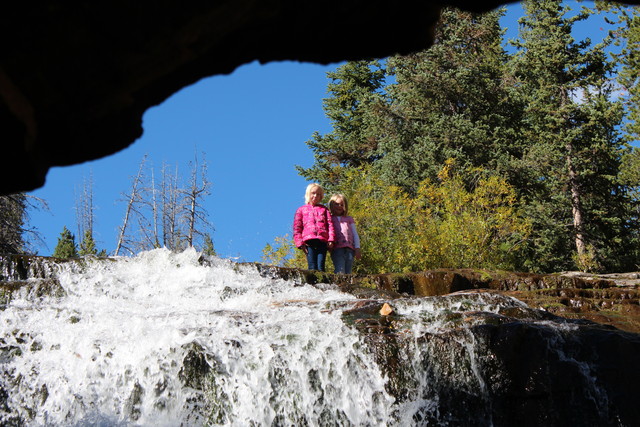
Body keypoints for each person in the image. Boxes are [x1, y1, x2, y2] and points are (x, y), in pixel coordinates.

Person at [293, 183, 335, 271]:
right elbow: (297, 228)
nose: (316, 196)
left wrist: (331, 239)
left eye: (319, 194)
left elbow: (330, 225)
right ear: (308, 194)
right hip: (309, 242)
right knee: (312, 266)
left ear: (321, 197)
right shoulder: (301, 210)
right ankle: (312, 283)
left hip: (322, 241)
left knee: (321, 266)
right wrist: (300, 244)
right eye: (313, 193)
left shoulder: (324, 209)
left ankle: (322, 283)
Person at [328, 193, 361, 274]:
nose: (339, 206)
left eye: (341, 204)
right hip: (337, 248)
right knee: (340, 269)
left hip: (350, 249)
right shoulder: (330, 218)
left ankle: (347, 286)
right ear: (332, 205)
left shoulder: (349, 219)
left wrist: (357, 248)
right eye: (336, 204)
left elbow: (355, 234)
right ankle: (339, 285)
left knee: (348, 271)